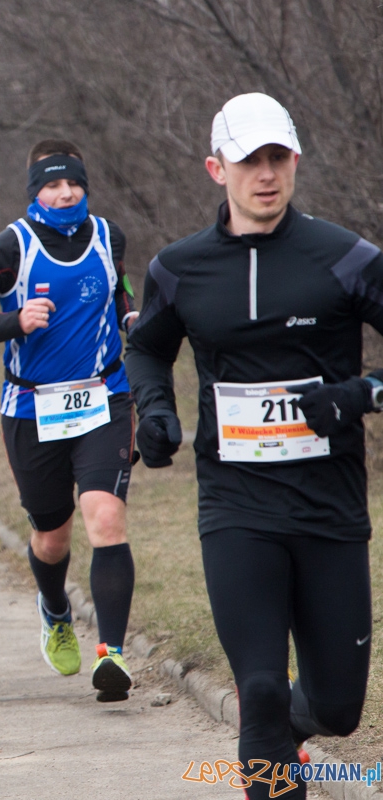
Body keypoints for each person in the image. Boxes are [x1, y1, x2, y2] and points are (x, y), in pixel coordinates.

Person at [126, 92, 379, 800]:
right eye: (248, 161)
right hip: (236, 506)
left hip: (329, 508)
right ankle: (269, 764)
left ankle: (290, 740)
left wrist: (359, 395)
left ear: (294, 160)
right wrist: (153, 411)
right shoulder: (180, 268)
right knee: (261, 689)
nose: (265, 175)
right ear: (216, 169)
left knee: (335, 707)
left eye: (277, 158)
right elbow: (146, 349)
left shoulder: (345, 258)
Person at [0, 139, 139, 702]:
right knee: (52, 537)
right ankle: (55, 610)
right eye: (52, 184)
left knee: (105, 515)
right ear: (35, 192)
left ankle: (112, 656)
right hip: (32, 407)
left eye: (72, 182)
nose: (64, 191)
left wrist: (131, 315)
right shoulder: (12, 246)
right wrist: (13, 322)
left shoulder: (108, 235)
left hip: (104, 396)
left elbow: (117, 287)